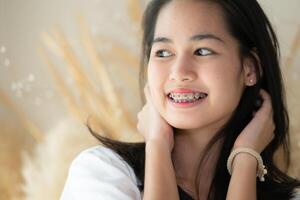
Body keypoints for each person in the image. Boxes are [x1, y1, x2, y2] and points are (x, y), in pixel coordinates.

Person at [60, 0, 300, 199]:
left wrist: (246, 161)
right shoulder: (103, 174)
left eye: (202, 51)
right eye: (163, 52)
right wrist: (157, 145)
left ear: (251, 69)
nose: (179, 72)